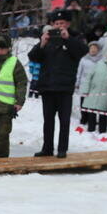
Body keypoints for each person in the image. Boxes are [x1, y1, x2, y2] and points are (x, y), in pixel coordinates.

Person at [29, 10, 88, 158]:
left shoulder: (75, 37)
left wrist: (67, 39)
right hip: (48, 86)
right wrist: (42, 43)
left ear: (68, 24)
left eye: (62, 23)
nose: (59, 26)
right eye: (56, 23)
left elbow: (82, 51)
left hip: (64, 87)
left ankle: (62, 149)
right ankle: (47, 148)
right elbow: (33, 57)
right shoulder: (48, 38)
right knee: (48, 120)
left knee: (64, 121)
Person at [80, 51, 107, 133]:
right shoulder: (99, 64)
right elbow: (89, 76)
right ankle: (91, 129)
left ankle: (102, 131)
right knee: (91, 111)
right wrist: (85, 90)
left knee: (103, 113)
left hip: (106, 94)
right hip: (93, 91)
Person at [76, 42, 103, 124]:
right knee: (83, 101)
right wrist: (77, 83)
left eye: (95, 48)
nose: (93, 50)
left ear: (98, 50)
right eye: (92, 48)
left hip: (95, 84)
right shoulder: (84, 59)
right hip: (84, 83)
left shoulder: (101, 60)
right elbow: (79, 72)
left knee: (93, 102)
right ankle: (84, 118)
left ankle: (92, 119)